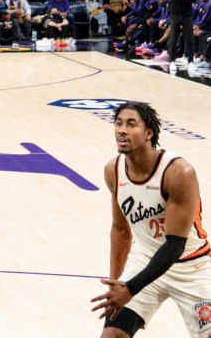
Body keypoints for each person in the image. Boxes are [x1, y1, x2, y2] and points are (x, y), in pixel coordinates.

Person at [90, 102, 210, 338]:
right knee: (112, 334)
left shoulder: (178, 173)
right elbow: (120, 230)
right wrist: (117, 283)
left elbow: (175, 246)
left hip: (190, 267)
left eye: (131, 124)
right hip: (144, 260)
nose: (122, 130)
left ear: (148, 133)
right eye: (118, 123)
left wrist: (131, 288)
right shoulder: (113, 171)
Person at [168, 0, 197, 69]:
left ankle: (190, 61)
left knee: (189, 38)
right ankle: (172, 61)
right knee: (173, 38)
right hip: (175, 14)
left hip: (187, 14)